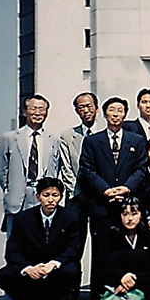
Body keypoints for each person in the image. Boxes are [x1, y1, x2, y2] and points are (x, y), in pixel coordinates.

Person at [79, 96, 147, 300]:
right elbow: (87, 170)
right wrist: (106, 190)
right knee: (100, 253)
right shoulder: (92, 141)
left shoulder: (136, 140)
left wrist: (126, 188)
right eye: (111, 110)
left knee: (127, 251)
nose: (116, 114)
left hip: (128, 206)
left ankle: (131, 296)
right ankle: (98, 299)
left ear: (125, 114)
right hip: (102, 205)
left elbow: (141, 168)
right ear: (104, 113)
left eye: (120, 110)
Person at [0, 177, 81, 300]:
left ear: (61, 197)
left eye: (55, 195)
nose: (51, 200)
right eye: (46, 195)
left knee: (71, 270)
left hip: (55, 269)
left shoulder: (70, 217)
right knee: (4, 275)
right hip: (32, 268)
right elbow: (12, 252)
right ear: (38, 196)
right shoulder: (22, 219)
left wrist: (53, 264)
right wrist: (28, 268)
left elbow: (73, 248)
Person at [0, 94, 60, 236]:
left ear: (46, 113)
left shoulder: (53, 140)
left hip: (43, 196)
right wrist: (9, 190)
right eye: (33, 109)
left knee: (42, 239)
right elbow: (2, 169)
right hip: (19, 196)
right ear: (24, 111)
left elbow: (55, 168)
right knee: (16, 241)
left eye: (41, 109)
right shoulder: (10, 138)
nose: (37, 113)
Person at [98, 197, 150, 300]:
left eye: (134, 214)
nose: (129, 219)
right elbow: (105, 264)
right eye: (125, 214)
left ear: (141, 215)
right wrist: (122, 277)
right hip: (118, 283)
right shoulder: (111, 237)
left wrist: (134, 279)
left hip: (145, 283)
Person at [59, 91, 99, 256]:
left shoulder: (105, 133)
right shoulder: (67, 137)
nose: (86, 110)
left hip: (99, 198)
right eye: (81, 107)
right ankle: (72, 280)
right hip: (76, 198)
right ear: (76, 111)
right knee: (74, 244)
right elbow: (66, 168)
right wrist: (78, 192)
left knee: (101, 243)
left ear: (96, 108)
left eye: (89, 106)